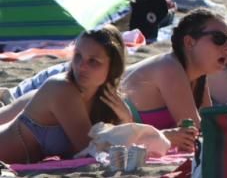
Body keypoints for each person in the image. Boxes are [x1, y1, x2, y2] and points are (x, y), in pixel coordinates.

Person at [0, 26, 130, 163]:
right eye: (78, 55)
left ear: (113, 66)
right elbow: (89, 150)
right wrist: (125, 122)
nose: (81, 66)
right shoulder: (62, 88)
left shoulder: (105, 100)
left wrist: (125, 118)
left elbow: (116, 149)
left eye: (93, 61)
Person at [121, 9, 227, 152]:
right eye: (219, 39)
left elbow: (207, 127)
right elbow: (201, 133)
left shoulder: (197, 75)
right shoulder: (170, 68)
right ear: (189, 42)